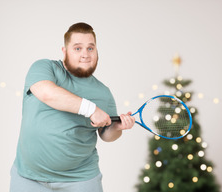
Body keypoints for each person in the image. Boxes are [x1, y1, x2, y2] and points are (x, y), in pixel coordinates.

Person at [10, 22, 135, 192]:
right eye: (77, 48)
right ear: (64, 51)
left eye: (91, 48)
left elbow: (107, 134)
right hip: (28, 178)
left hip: (81, 180)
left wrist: (118, 127)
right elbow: (47, 93)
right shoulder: (44, 68)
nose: (85, 54)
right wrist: (92, 110)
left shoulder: (104, 93)